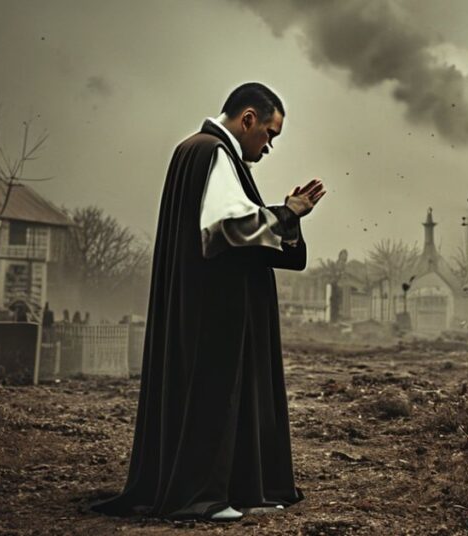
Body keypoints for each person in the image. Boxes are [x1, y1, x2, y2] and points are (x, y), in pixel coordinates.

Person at [92, 83, 325, 521]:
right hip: (214, 308)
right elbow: (226, 228)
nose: (269, 146)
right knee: (215, 393)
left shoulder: (195, 151)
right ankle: (200, 497)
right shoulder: (213, 152)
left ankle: (235, 490)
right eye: (270, 134)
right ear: (248, 119)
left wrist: (285, 218)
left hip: (200, 299)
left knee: (223, 393)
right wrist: (287, 213)